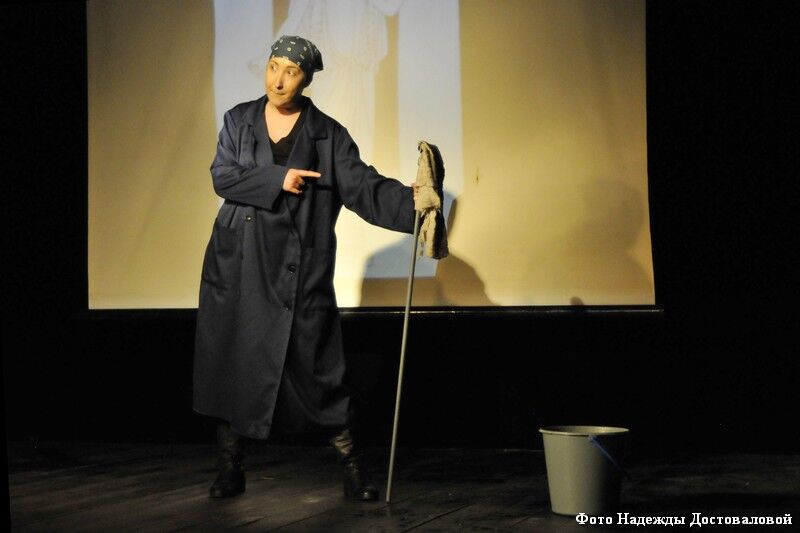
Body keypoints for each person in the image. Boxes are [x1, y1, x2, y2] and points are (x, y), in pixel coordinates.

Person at [192, 35, 417, 501]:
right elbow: (222, 176)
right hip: (240, 265)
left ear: (307, 79)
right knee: (233, 366)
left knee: (319, 368)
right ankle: (230, 468)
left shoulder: (326, 134)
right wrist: (279, 178)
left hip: (298, 269)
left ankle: (353, 467)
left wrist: (413, 204)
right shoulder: (238, 120)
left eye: (291, 71)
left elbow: (362, 186)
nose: (278, 80)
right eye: (273, 66)